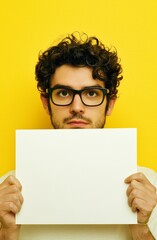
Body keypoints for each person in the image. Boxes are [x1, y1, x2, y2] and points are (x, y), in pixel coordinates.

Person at [0, 32, 157, 240]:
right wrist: (8, 232)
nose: (77, 107)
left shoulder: (149, 186)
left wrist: (141, 228)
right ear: (46, 103)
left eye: (91, 93)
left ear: (109, 104)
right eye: (63, 93)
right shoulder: (6, 191)